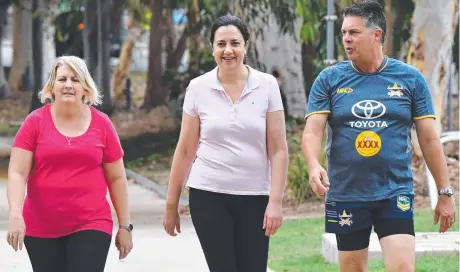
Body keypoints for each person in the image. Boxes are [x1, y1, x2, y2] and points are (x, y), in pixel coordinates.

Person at [302, 1, 456, 272]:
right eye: (344, 33)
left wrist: (445, 192)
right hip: (346, 194)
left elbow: (430, 140)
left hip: (394, 192)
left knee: (401, 268)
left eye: (354, 33)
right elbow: (313, 131)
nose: (346, 39)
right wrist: (314, 165)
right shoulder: (329, 79)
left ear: (377, 35)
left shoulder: (410, 79)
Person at [163, 15, 288, 272]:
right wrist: (171, 204)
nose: (228, 50)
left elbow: (278, 149)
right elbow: (185, 150)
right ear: (212, 48)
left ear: (246, 46)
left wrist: (275, 201)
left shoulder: (267, 86)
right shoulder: (198, 88)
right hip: (209, 195)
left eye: (235, 43)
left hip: (255, 197)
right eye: (221, 44)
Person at [6, 56, 134, 272]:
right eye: (62, 79)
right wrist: (16, 216)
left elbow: (117, 177)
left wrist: (125, 226)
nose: (68, 85)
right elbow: (17, 173)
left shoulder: (102, 124)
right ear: (52, 87)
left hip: (91, 222)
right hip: (40, 226)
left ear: (85, 88)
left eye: (75, 80)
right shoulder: (34, 123)